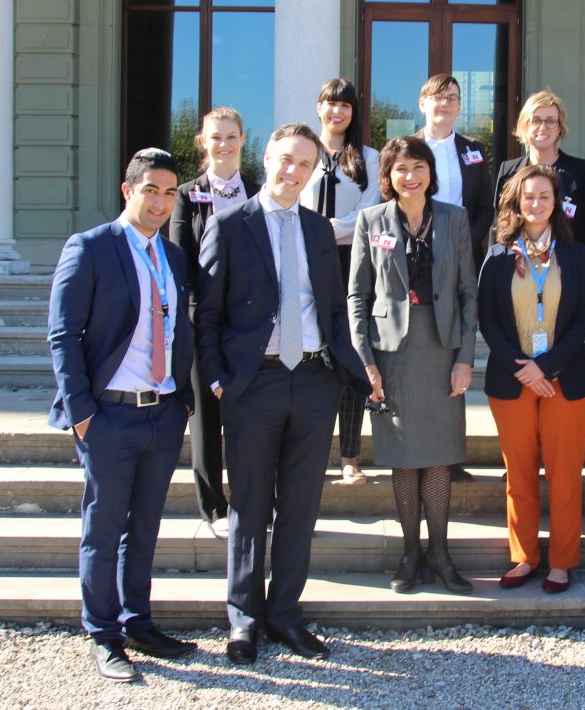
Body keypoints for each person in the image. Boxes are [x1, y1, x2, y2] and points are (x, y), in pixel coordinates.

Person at [195, 123, 368, 664]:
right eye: (284, 159)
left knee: (300, 507)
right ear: (265, 158)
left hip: (315, 381)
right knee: (249, 508)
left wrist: (343, 369)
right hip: (256, 382)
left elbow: (333, 306)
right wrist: (219, 377)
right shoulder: (229, 225)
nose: (292, 171)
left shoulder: (319, 230)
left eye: (304, 164)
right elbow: (208, 316)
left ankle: (286, 615)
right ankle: (243, 621)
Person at [47, 148, 197, 682]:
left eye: (169, 192)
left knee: (146, 527)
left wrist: (183, 402)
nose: (159, 201)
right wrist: (82, 412)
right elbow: (63, 335)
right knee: (104, 527)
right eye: (150, 190)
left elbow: (183, 331)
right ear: (127, 190)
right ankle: (104, 634)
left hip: (161, 415)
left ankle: (138, 621)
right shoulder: (90, 248)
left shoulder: (174, 256)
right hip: (108, 416)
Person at [348, 136, 478, 595]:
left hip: (442, 348)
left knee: (439, 455)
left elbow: (467, 293)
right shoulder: (371, 220)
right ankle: (409, 553)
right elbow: (358, 296)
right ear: (388, 175)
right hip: (392, 352)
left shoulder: (454, 218)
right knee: (403, 457)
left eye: (418, 166)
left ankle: (441, 554)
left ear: (430, 171)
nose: (410, 176)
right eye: (400, 168)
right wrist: (365, 361)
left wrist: (465, 359)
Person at [480, 165, 585, 594]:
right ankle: (524, 556)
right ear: (516, 201)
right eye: (528, 196)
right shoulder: (496, 256)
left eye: (544, 196)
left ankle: (562, 561)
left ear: (556, 202)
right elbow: (488, 320)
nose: (536, 204)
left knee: (565, 475)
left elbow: (583, 319)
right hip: (513, 381)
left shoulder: (577, 253)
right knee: (520, 474)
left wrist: (545, 367)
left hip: (564, 380)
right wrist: (522, 367)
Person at [170, 107, 259, 539]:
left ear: (243, 139)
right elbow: (180, 256)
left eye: (230, 136)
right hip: (203, 321)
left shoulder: (259, 191)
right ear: (202, 142)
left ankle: (252, 501)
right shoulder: (188, 195)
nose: (223, 144)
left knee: (250, 416)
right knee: (206, 418)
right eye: (215, 137)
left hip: (252, 324)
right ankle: (213, 507)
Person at [300, 78, 382, 487]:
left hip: (352, 262)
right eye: (330, 104)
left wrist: (328, 228)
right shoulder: (302, 151)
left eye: (345, 105)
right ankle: (310, 452)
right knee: (311, 356)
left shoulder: (369, 157)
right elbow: (290, 202)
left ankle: (351, 456)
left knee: (350, 356)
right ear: (319, 107)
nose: (338, 112)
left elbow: (371, 213)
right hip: (304, 261)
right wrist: (318, 232)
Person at [413, 73, 492, 482]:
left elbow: (484, 207)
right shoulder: (406, 149)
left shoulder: (475, 151)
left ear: (460, 106)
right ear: (422, 102)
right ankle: (417, 450)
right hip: (413, 263)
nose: (445, 103)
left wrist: (462, 242)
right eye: (437, 96)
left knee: (455, 352)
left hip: (460, 262)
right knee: (420, 357)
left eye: (452, 97)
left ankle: (449, 453)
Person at [492, 90, 585, 290]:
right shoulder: (508, 172)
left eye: (550, 121)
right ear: (525, 126)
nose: (543, 127)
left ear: (560, 128)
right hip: (517, 279)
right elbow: (499, 227)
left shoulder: (584, 173)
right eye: (536, 120)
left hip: (569, 281)